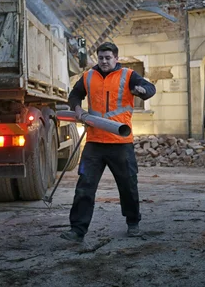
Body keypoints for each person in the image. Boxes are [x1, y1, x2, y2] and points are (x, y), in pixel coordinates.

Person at [60, 42, 156, 243]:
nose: (104, 61)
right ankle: (77, 231)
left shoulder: (128, 76)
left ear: (116, 58)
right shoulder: (88, 76)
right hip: (94, 142)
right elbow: (75, 95)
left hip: (120, 141)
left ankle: (133, 223)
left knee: (128, 185)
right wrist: (77, 109)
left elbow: (150, 88)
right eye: (101, 58)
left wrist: (141, 90)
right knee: (84, 187)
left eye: (108, 58)